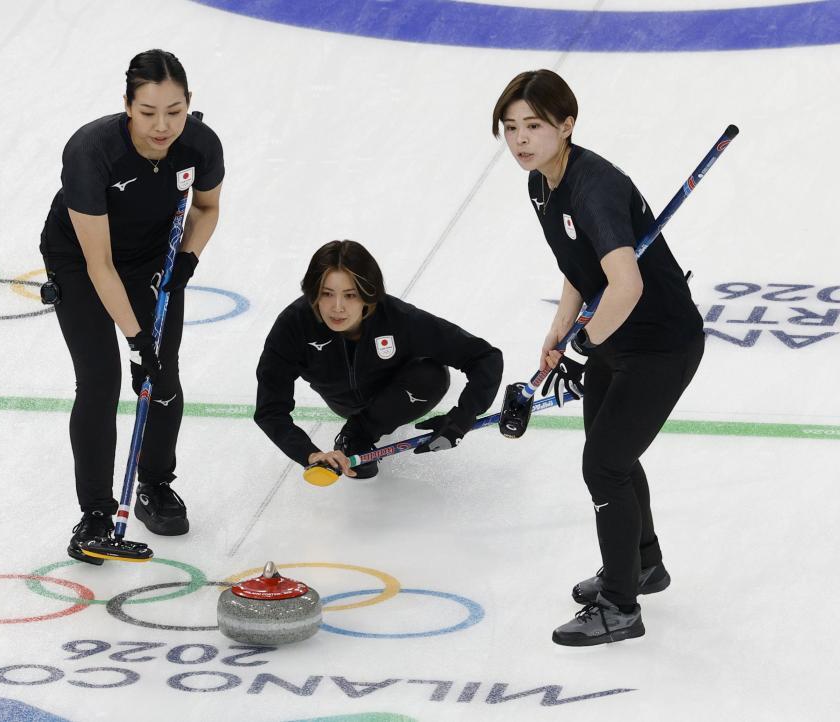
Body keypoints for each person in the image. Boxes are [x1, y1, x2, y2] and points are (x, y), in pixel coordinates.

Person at [492, 69, 704, 646]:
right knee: (612, 454)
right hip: (617, 337)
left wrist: (587, 343)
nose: (520, 140)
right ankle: (641, 565)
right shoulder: (541, 182)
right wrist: (559, 331)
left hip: (659, 344)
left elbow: (626, 283)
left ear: (567, 124)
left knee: (604, 465)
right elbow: (577, 266)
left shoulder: (594, 187)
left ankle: (620, 607)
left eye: (534, 126)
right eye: (510, 128)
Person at [39, 49, 224, 564]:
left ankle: (155, 486)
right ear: (126, 105)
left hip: (152, 258)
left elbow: (207, 208)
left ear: (189, 104)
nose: (163, 125)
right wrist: (136, 337)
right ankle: (96, 515)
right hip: (80, 259)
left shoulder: (201, 145)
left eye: (175, 111)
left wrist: (188, 257)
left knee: (161, 377)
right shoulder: (91, 152)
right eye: (147, 113)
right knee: (100, 380)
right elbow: (99, 264)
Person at [255, 240, 503, 478]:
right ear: (313, 293)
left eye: (350, 295)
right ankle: (356, 433)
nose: (337, 307)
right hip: (343, 402)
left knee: (432, 375)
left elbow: (485, 356)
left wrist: (463, 416)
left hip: (403, 393)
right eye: (327, 294)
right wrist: (309, 454)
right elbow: (270, 409)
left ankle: (359, 431)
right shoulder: (293, 326)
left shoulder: (397, 318)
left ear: (368, 294)